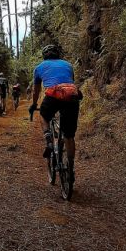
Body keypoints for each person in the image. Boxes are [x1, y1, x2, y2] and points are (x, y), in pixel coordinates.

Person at [29, 44, 81, 180]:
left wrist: (34, 104)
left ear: (44, 56)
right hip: (71, 96)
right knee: (69, 136)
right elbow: (70, 82)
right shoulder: (68, 65)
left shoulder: (39, 67)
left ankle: (48, 139)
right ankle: (70, 168)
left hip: (53, 96)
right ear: (58, 54)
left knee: (43, 115)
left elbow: (36, 90)